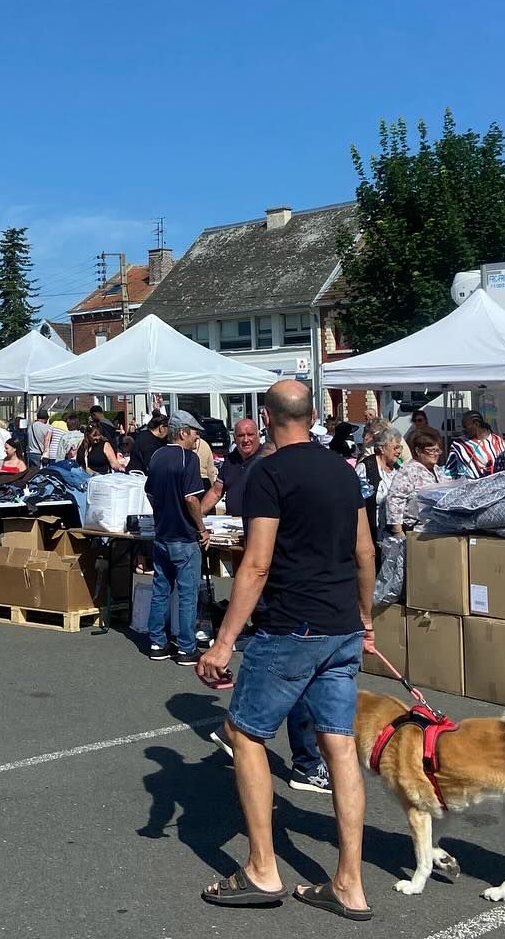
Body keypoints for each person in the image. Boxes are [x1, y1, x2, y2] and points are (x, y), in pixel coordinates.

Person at [196, 379, 374, 919]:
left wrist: (223, 643)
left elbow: (256, 563)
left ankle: (262, 868)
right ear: (313, 414)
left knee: (244, 733)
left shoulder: (267, 474)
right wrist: (365, 618)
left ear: (267, 417)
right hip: (341, 624)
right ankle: (349, 883)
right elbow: (365, 551)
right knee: (338, 745)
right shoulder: (344, 472)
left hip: (292, 625)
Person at [144, 411, 211, 665]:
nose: (196, 438)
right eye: (194, 433)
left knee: (161, 591)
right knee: (186, 594)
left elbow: (149, 492)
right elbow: (191, 498)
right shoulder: (188, 458)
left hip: (162, 534)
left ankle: (157, 642)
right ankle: (186, 647)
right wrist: (201, 528)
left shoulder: (157, 456)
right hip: (184, 536)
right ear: (183, 432)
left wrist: (162, 512)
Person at [385, 426, 449, 536]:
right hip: (415, 530)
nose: (436, 454)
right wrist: (397, 531)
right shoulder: (409, 470)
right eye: (431, 451)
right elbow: (395, 499)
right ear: (418, 451)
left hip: (436, 528)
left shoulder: (437, 470)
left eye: (437, 450)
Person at [202, 419, 266, 516]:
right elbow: (216, 492)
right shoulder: (230, 459)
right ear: (235, 439)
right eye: (241, 435)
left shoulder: (266, 459)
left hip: (258, 521)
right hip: (232, 521)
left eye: (250, 435)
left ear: (258, 436)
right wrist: (197, 517)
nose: (245, 440)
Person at [358, 426, 402, 543]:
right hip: (370, 532)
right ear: (382, 448)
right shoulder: (366, 467)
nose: (399, 451)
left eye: (400, 448)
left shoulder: (398, 469)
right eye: (395, 447)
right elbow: (356, 501)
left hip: (394, 534)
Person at [447, 410, 505, 479]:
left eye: (465, 426)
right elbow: (449, 470)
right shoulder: (459, 444)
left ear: (476, 424)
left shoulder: (498, 441)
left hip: (496, 483)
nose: (463, 430)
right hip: (467, 484)